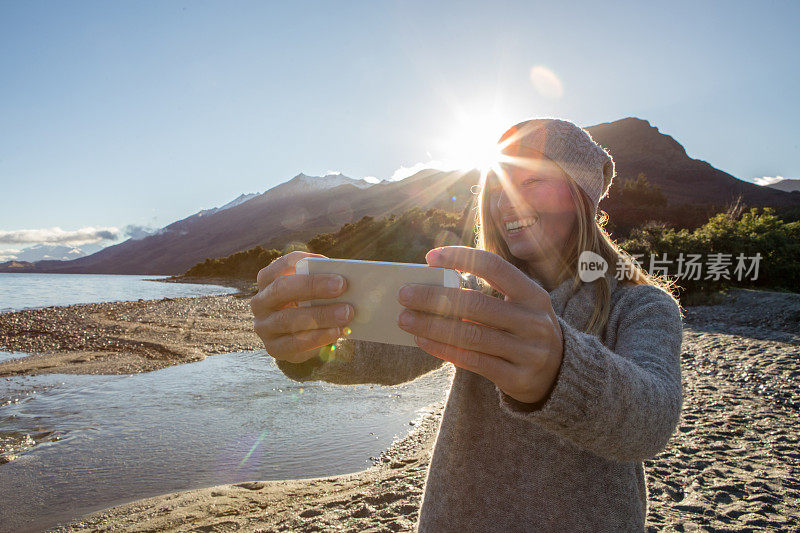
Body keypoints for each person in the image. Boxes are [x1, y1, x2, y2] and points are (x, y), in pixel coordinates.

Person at [250, 118, 684, 532]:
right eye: (496, 186)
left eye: (531, 180)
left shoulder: (641, 304)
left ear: (580, 195)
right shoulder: (477, 293)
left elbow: (652, 419)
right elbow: (394, 350)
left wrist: (561, 368)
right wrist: (311, 343)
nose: (505, 201)